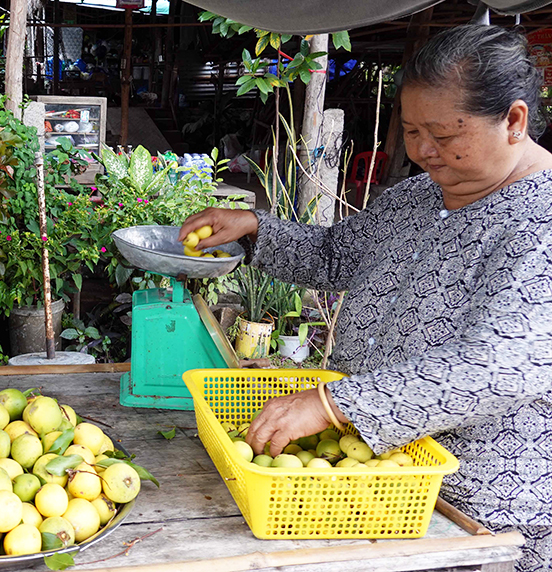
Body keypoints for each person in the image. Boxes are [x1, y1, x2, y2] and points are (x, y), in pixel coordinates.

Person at [179, 25, 552, 572]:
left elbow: (498, 365)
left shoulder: (541, 222)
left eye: (445, 136)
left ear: (514, 121)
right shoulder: (414, 198)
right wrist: (255, 228)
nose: (423, 151)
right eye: (412, 131)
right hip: (372, 489)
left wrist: (334, 406)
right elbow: (338, 256)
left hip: (480, 512)